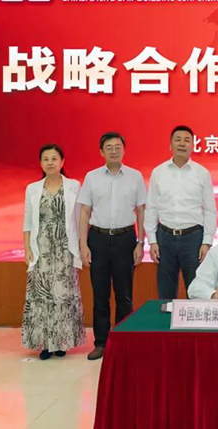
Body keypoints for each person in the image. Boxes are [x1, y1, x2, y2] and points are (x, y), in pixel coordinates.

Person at [77, 132, 147, 361]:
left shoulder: (135, 177)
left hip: (125, 239)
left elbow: (141, 211)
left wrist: (140, 243)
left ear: (124, 150)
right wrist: (83, 244)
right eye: (109, 147)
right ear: (101, 152)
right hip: (97, 238)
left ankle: (123, 342)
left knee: (124, 295)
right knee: (100, 294)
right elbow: (84, 212)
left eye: (118, 147)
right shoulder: (92, 177)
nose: (114, 151)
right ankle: (101, 343)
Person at [21, 143, 85, 360]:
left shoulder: (74, 186)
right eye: (45, 159)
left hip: (65, 249)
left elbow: (80, 218)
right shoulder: (32, 188)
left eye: (54, 159)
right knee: (42, 296)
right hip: (42, 250)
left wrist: (82, 246)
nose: (50, 163)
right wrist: (27, 248)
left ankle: (62, 342)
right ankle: (45, 345)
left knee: (64, 296)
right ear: (40, 163)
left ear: (62, 162)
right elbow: (27, 221)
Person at [145, 125, 217, 300]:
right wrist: (152, 241)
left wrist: (207, 242)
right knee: (166, 291)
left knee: (197, 289)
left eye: (187, 140)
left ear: (193, 145)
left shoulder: (202, 173)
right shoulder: (158, 172)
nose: (182, 144)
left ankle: (197, 320)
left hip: (193, 238)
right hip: (165, 237)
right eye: (178, 140)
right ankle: (167, 318)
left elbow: (210, 210)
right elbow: (152, 208)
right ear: (170, 145)